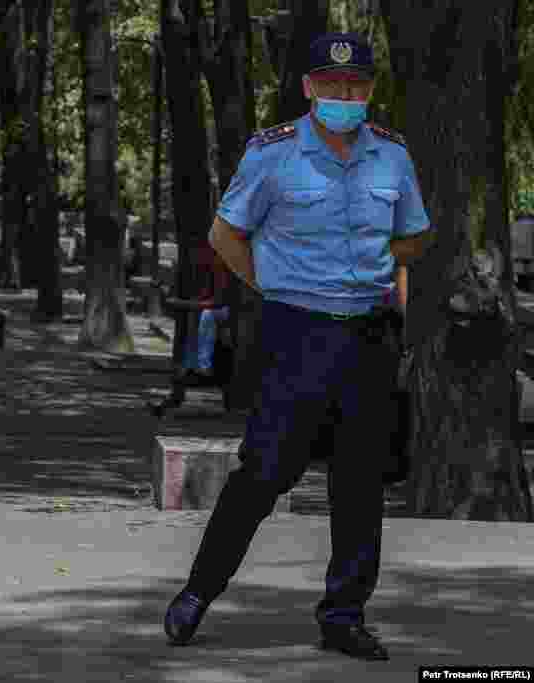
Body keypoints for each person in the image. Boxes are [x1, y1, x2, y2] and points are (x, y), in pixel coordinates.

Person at [162, 33, 433, 661]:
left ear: (369, 89)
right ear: (309, 87)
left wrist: (376, 269)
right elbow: (226, 235)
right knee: (263, 473)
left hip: (368, 335)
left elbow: (414, 238)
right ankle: (197, 595)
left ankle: (344, 615)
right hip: (296, 333)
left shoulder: (392, 157)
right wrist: (274, 284)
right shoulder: (273, 155)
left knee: (360, 483)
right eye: (332, 85)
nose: (345, 95)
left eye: (356, 86)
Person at [176, 244, 232, 385]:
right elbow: (206, 295)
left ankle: (203, 366)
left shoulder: (223, 262)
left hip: (232, 308)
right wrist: (195, 304)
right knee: (194, 316)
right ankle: (189, 365)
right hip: (220, 306)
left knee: (207, 315)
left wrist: (197, 305)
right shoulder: (209, 266)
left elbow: (221, 300)